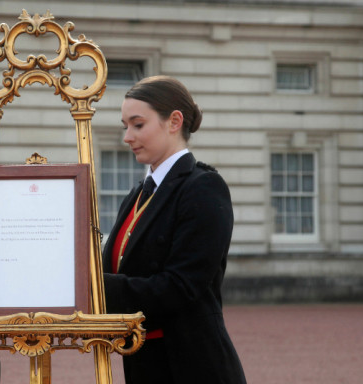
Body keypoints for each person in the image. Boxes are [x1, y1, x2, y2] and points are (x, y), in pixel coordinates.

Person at [102, 75, 246, 383]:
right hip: (143, 363)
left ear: (174, 121)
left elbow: (182, 286)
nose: (127, 137)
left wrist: (96, 288)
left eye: (138, 125)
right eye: (125, 125)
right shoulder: (139, 193)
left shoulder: (203, 187)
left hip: (191, 365)